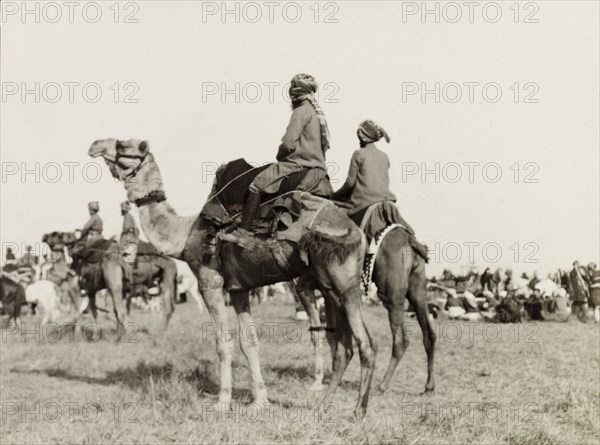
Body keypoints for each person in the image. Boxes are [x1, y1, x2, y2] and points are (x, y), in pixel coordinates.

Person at [230, 73, 330, 238]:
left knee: (257, 184)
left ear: (294, 93)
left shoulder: (300, 111)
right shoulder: (316, 114)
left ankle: (243, 232)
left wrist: (280, 154)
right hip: (319, 168)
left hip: (298, 164)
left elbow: (288, 144)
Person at [332, 119, 416, 244]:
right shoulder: (384, 156)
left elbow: (350, 183)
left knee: (341, 233)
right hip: (388, 204)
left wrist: (335, 195)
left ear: (362, 138)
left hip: (366, 204)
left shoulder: (358, 154)